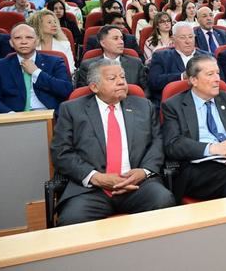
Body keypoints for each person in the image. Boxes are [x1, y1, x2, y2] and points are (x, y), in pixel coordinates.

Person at [51, 59, 175, 225]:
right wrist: (95, 177)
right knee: (70, 220)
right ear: (94, 87)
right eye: (112, 78)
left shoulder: (144, 106)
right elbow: (61, 152)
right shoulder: (72, 110)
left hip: (137, 185)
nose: (121, 82)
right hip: (92, 189)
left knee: (164, 201)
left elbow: (157, 142)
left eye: (123, 77)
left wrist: (144, 172)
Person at [161, 55, 226, 200]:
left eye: (217, 73)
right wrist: (213, 149)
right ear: (193, 80)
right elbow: (173, 144)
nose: (217, 79)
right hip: (198, 169)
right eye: (210, 74)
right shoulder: (174, 105)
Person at [0, 24, 72, 114]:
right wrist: (9, 114)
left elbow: (65, 90)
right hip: (13, 118)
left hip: (47, 116)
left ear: (37, 41)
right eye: (18, 38)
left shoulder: (55, 61)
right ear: (11, 43)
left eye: (29, 37)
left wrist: (36, 73)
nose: (23, 42)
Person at [148, 22, 209, 102]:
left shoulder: (207, 57)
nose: (188, 41)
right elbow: (154, 82)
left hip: (204, 100)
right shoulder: (161, 57)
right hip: (175, 103)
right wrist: (182, 76)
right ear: (173, 39)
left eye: (191, 37)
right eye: (183, 38)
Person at [76, 25, 147, 89]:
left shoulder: (136, 63)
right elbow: (84, 93)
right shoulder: (88, 66)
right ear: (103, 43)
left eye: (121, 38)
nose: (121, 42)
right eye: (116, 38)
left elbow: (145, 90)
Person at [27, 9, 76, 74]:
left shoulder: (65, 44)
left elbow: (70, 69)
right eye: (49, 22)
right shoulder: (29, 45)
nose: (54, 25)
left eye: (55, 22)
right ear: (38, 25)